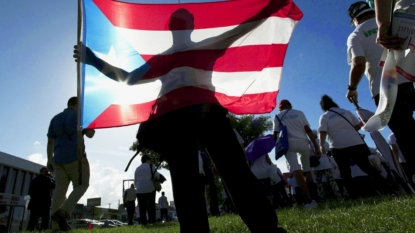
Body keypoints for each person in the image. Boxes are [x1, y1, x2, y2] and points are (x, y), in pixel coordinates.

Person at [75, 3, 286, 233]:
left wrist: (94, 60)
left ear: (170, 28)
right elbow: (240, 30)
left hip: (177, 118)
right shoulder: (200, 48)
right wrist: (268, 9)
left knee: (192, 181)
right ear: (192, 26)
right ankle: (266, 229)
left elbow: (127, 78)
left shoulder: (167, 57)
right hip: (200, 114)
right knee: (233, 172)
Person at [346, 1, 415, 183]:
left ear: (355, 19)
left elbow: (359, 63)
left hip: (384, 88)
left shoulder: (356, 35)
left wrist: (352, 88)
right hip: (408, 80)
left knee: (405, 134)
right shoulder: (391, 21)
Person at [318, 95, 394, 198]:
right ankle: (389, 189)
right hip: (356, 143)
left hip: (338, 145)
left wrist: (321, 145)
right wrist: (349, 132)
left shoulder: (325, 116)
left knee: (345, 172)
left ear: (323, 106)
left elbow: (323, 131)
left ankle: (353, 195)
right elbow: (358, 125)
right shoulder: (346, 112)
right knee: (367, 168)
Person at [47, 96, 95, 231]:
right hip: (76, 157)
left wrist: (49, 159)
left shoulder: (55, 118)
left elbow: (50, 141)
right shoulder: (80, 116)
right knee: (82, 185)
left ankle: (56, 226)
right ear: (76, 104)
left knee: (59, 192)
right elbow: (90, 134)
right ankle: (63, 212)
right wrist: (90, 121)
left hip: (58, 159)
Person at [273, 99, 320, 209]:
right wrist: (316, 146)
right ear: (290, 105)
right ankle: (315, 197)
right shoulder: (299, 113)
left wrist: (273, 146)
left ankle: (309, 201)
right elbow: (308, 130)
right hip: (303, 142)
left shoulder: (277, 116)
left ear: (280, 107)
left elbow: (275, 134)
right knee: (307, 170)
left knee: (297, 171)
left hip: (289, 145)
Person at [310, 130, 342, 201]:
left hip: (316, 166)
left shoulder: (309, 143)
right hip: (326, 164)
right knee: (331, 181)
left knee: (319, 183)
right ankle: (338, 196)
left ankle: (323, 198)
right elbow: (328, 150)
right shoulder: (321, 141)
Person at [26, 167, 56, 231]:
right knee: (45, 219)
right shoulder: (47, 179)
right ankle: (43, 230)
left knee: (33, 219)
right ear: (45, 172)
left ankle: (30, 230)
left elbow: (30, 192)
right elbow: (55, 185)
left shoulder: (34, 180)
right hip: (44, 202)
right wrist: (52, 177)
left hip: (34, 202)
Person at [135, 155, 161, 225]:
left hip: (140, 189)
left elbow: (135, 180)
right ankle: (152, 220)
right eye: (149, 159)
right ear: (147, 160)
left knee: (142, 207)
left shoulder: (137, 168)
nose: (150, 161)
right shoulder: (150, 166)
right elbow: (157, 175)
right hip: (150, 188)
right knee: (151, 205)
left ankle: (143, 222)